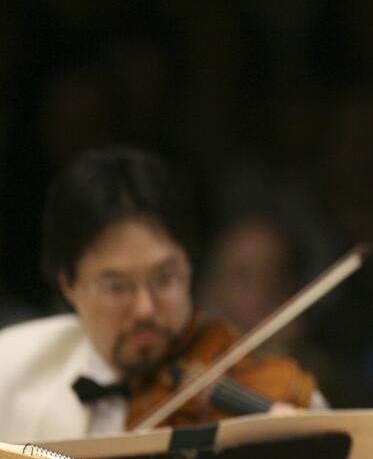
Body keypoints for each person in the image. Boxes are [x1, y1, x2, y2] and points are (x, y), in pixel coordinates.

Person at [0, 146, 325, 443]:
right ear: (68, 287)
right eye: (116, 286)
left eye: (165, 278)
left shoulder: (263, 385)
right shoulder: (12, 371)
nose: (144, 309)